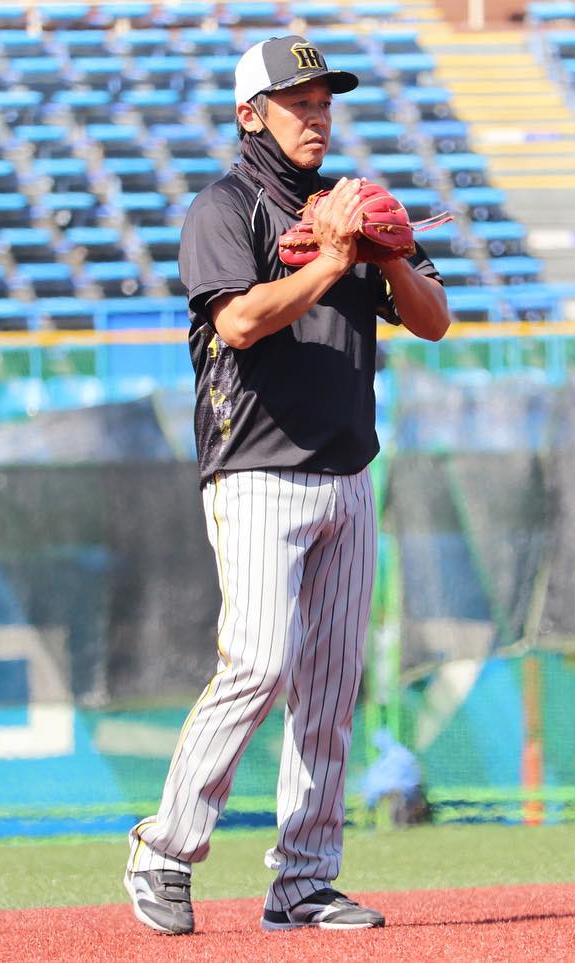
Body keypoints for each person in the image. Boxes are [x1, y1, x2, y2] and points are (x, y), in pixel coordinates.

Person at [122, 34, 452, 936]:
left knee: (331, 686)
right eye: (298, 101)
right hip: (256, 467)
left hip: (348, 472)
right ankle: (164, 846)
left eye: (325, 101)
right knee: (261, 661)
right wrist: (335, 260)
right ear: (250, 114)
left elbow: (434, 321)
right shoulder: (224, 209)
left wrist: (389, 253)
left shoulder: (350, 207)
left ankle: (304, 879)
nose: (317, 115)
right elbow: (238, 322)